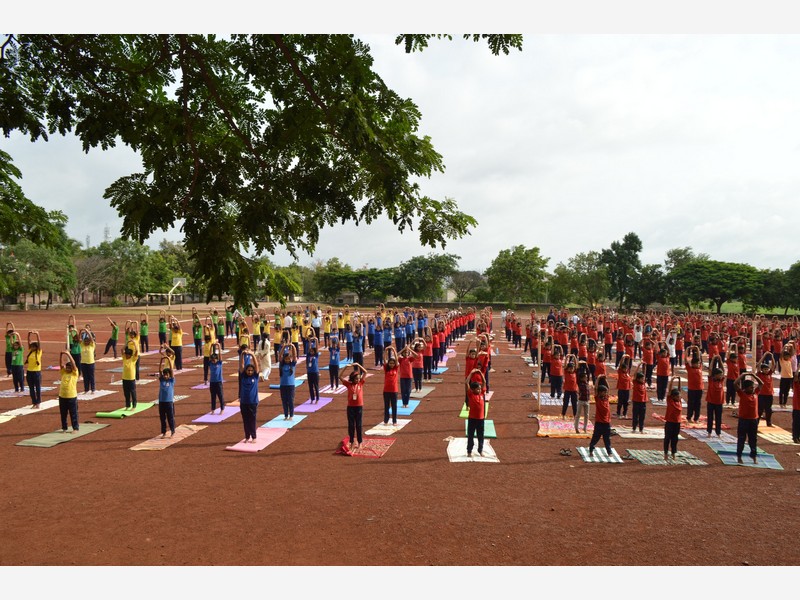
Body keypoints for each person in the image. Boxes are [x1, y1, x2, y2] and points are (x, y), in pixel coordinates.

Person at [734, 372, 762, 464]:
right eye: (751, 387)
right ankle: (739, 456)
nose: (753, 388)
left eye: (753, 387)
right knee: (741, 438)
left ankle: (753, 456)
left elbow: (761, 384)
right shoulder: (742, 394)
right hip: (743, 420)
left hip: (753, 420)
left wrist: (754, 376)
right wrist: (743, 375)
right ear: (745, 388)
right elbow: (735, 384)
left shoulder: (756, 393)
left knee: (753, 439)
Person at [340, 362, 368, 452]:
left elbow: (365, 372)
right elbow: (339, 376)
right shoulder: (349, 384)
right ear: (352, 379)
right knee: (351, 425)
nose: (358, 380)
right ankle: (351, 441)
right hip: (351, 407)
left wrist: (358, 365)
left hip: (359, 407)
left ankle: (360, 442)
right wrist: (345, 367)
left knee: (359, 425)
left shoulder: (360, 384)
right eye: (356, 379)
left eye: (359, 378)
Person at [238, 349, 261, 443]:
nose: (250, 372)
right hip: (243, 402)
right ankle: (247, 436)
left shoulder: (255, 377)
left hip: (253, 402)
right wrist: (242, 355)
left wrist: (252, 355)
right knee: (245, 420)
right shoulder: (243, 376)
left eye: (251, 370)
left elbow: (256, 366)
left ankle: (254, 437)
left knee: (252, 419)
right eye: (248, 370)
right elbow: (241, 366)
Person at [465, 369, 489, 457]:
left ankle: (480, 450)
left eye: (479, 389)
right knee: (470, 435)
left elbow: (484, 381)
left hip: (481, 419)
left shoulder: (482, 394)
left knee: (480, 436)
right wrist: (471, 373)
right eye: (477, 389)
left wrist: (480, 373)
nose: (479, 390)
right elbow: (467, 383)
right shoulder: (471, 394)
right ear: (473, 389)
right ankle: (469, 451)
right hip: (472, 419)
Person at [588, 375, 613, 458]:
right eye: (604, 392)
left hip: (607, 423)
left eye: (606, 392)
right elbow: (595, 389)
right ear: (600, 392)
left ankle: (609, 452)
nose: (605, 393)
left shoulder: (606, 398)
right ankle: (591, 450)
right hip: (599, 423)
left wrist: (605, 380)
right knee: (595, 437)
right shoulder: (598, 399)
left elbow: (608, 388)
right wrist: (598, 378)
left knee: (607, 439)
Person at [57, 350, 79, 433]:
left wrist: (68, 354)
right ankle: (64, 428)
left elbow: (73, 364)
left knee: (73, 413)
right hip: (62, 396)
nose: (68, 369)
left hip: (71, 397)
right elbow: (61, 365)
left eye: (70, 368)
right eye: (67, 367)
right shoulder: (63, 372)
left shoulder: (74, 374)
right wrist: (61, 355)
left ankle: (75, 428)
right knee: (63, 413)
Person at [663, 376, 683, 461]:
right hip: (670, 422)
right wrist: (672, 379)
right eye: (678, 396)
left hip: (677, 423)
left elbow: (679, 389)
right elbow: (670, 390)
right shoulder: (670, 400)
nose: (679, 397)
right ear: (673, 396)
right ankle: (666, 453)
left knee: (675, 438)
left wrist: (679, 380)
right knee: (667, 438)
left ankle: (673, 453)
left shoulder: (679, 401)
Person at [278, 343, 298, 420]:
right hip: (283, 385)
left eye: (288, 359)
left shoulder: (292, 365)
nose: (287, 360)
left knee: (290, 400)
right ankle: (286, 415)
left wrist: (292, 346)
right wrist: (284, 347)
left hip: (290, 385)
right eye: (286, 359)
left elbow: (295, 355)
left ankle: (291, 415)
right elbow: (280, 355)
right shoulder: (281, 365)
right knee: (284, 401)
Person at [706, 356, 725, 437]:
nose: (721, 376)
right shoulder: (711, 380)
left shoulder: (721, 380)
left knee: (718, 418)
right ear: (715, 375)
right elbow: (710, 370)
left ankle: (718, 432)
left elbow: (723, 369)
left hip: (719, 403)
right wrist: (713, 359)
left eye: (721, 375)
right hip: (710, 402)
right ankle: (709, 432)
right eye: (719, 375)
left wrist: (720, 360)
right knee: (710, 418)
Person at [756, 352, 776, 427]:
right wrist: (764, 356)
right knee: (760, 409)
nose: (766, 370)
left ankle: (769, 422)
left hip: (769, 394)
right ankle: (756, 422)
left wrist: (772, 357)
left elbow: (773, 365)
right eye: (765, 369)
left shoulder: (769, 374)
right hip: (761, 394)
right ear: (762, 370)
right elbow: (758, 365)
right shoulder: (760, 375)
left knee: (769, 409)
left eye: (767, 369)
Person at [157, 359, 176, 438]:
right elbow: (160, 370)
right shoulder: (161, 380)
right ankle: (164, 432)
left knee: (170, 417)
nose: (165, 376)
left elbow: (171, 370)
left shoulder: (171, 381)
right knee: (162, 418)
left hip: (169, 402)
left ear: (169, 375)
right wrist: (161, 361)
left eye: (166, 375)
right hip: (161, 402)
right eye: (164, 375)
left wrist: (168, 359)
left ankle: (172, 431)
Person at [685, 346, 704, 423]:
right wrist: (687, 349)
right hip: (692, 389)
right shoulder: (689, 368)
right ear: (693, 364)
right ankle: (689, 417)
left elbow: (699, 358)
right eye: (696, 363)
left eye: (698, 363)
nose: (698, 364)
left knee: (698, 403)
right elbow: (686, 360)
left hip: (699, 389)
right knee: (691, 403)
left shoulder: (700, 367)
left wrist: (697, 348)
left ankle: (696, 418)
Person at [382, 347, 400, 426]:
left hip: (394, 391)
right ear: (388, 364)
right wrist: (386, 350)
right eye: (390, 363)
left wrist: (393, 350)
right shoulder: (386, 369)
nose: (392, 364)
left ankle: (394, 421)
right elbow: (384, 358)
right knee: (386, 406)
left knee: (394, 406)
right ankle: (386, 420)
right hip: (386, 391)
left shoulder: (396, 369)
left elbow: (396, 359)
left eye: (393, 363)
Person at [26, 331, 43, 408]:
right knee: (31, 388)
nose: (32, 348)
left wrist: (37, 334)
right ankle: (34, 402)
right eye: (31, 347)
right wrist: (29, 334)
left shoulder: (39, 352)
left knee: (38, 388)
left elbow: (39, 343)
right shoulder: (30, 352)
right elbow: (28, 341)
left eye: (34, 347)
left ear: (36, 347)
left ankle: (38, 402)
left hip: (36, 372)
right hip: (29, 372)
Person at [575, 363, 592, 434]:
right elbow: (577, 375)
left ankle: (585, 428)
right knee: (578, 414)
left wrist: (586, 365)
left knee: (586, 415)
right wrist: (578, 367)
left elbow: (588, 373)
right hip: (581, 400)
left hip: (587, 401)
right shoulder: (579, 383)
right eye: (585, 377)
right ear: (582, 378)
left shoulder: (587, 383)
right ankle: (576, 428)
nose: (586, 378)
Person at [398, 343, 417, 408]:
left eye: (407, 353)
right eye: (405, 353)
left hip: (409, 377)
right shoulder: (401, 360)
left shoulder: (410, 359)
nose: (406, 354)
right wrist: (403, 349)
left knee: (408, 390)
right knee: (403, 390)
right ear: (402, 353)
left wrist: (409, 349)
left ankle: (407, 402)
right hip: (402, 377)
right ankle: (404, 403)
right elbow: (396, 355)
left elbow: (416, 355)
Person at [208, 343, 225, 414]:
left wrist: (219, 346)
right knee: (213, 396)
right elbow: (209, 355)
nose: (213, 361)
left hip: (218, 382)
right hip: (212, 382)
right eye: (212, 360)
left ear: (217, 359)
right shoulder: (211, 364)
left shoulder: (219, 363)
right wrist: (211, 346)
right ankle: (213, 409)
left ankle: (222, 409)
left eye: (214, 360)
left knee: (220, 396)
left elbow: (220, 355)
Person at [79, 327, 96, 394]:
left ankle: (93, 389)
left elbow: (91, 338)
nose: (86, 342)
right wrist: (80, 331)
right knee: (85, 377)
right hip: (83, 363)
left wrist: (87, 332)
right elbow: (79, 339)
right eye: (85, 341)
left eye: (87, 341)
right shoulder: (82, 345)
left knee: (91, 376)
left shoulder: (92, 345)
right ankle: (86, 389)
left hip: (90, 363)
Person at [122, 343, 139, 410]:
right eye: (126, 354)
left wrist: (134, 344)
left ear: (130, 355)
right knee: (126, 392)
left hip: (131, 378)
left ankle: (134, 405)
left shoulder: (133, 359)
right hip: (124, 378)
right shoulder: (124, 358)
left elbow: (137, 351)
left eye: (128, 354)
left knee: (133, 392)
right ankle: (127, 405)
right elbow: (122, 349)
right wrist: (127, 343)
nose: (126, 355)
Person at [631, 364, 647, 433]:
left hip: (643, 402)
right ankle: (634, 428)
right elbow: (635, 375)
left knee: (642, 417)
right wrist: (639, 365)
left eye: (643, 379)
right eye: (641, 378)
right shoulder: (635, 383)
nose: (643, 380)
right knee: (635, 416)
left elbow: (645, 374)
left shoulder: (643, 383)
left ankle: (641, 429)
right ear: (638, 379)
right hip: (636, 402)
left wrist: (645, 366)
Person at [306, 336, 321, 404]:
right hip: (309, 372)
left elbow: (317, 348)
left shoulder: (316, 355)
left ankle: (317, 398)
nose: (311, 352)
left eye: (312, 351)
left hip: (315, 372)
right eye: (310, 351)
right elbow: (309, 348)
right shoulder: (308, 356)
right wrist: (309, 341)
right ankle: (312, 398)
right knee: (310, 386)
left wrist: (316, 340)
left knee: (316, 386)